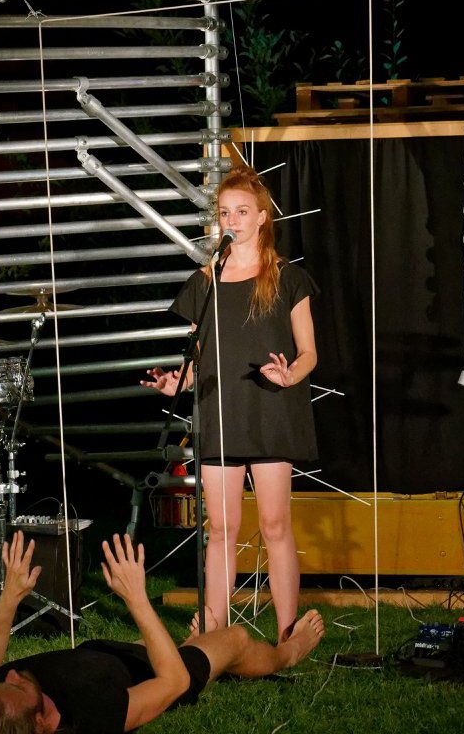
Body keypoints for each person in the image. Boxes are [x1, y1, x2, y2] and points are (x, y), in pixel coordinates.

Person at [142, 166, 319, 638]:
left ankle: (287, 634)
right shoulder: (205, 282)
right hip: (221, 411)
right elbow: (199, 358)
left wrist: (290, 375)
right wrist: (177, 382)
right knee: (221, 528)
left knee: (275, 524)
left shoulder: (287, 278)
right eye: (225, 213)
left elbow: (309, 353)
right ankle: (214, 632)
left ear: (262, 217)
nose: (232, 221)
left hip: (270, 409)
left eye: (242, 212)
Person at [0, 532, 324, 734]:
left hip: (100, 656)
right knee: (236, 640)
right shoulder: (91, 719)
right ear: (41, 723)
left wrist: (10, 597)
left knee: (165, 642)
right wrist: (136, 597)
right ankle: (289, 651)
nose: (11, 674)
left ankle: (191, 642)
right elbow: (174, 681)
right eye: (19, 687)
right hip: (148, 672)